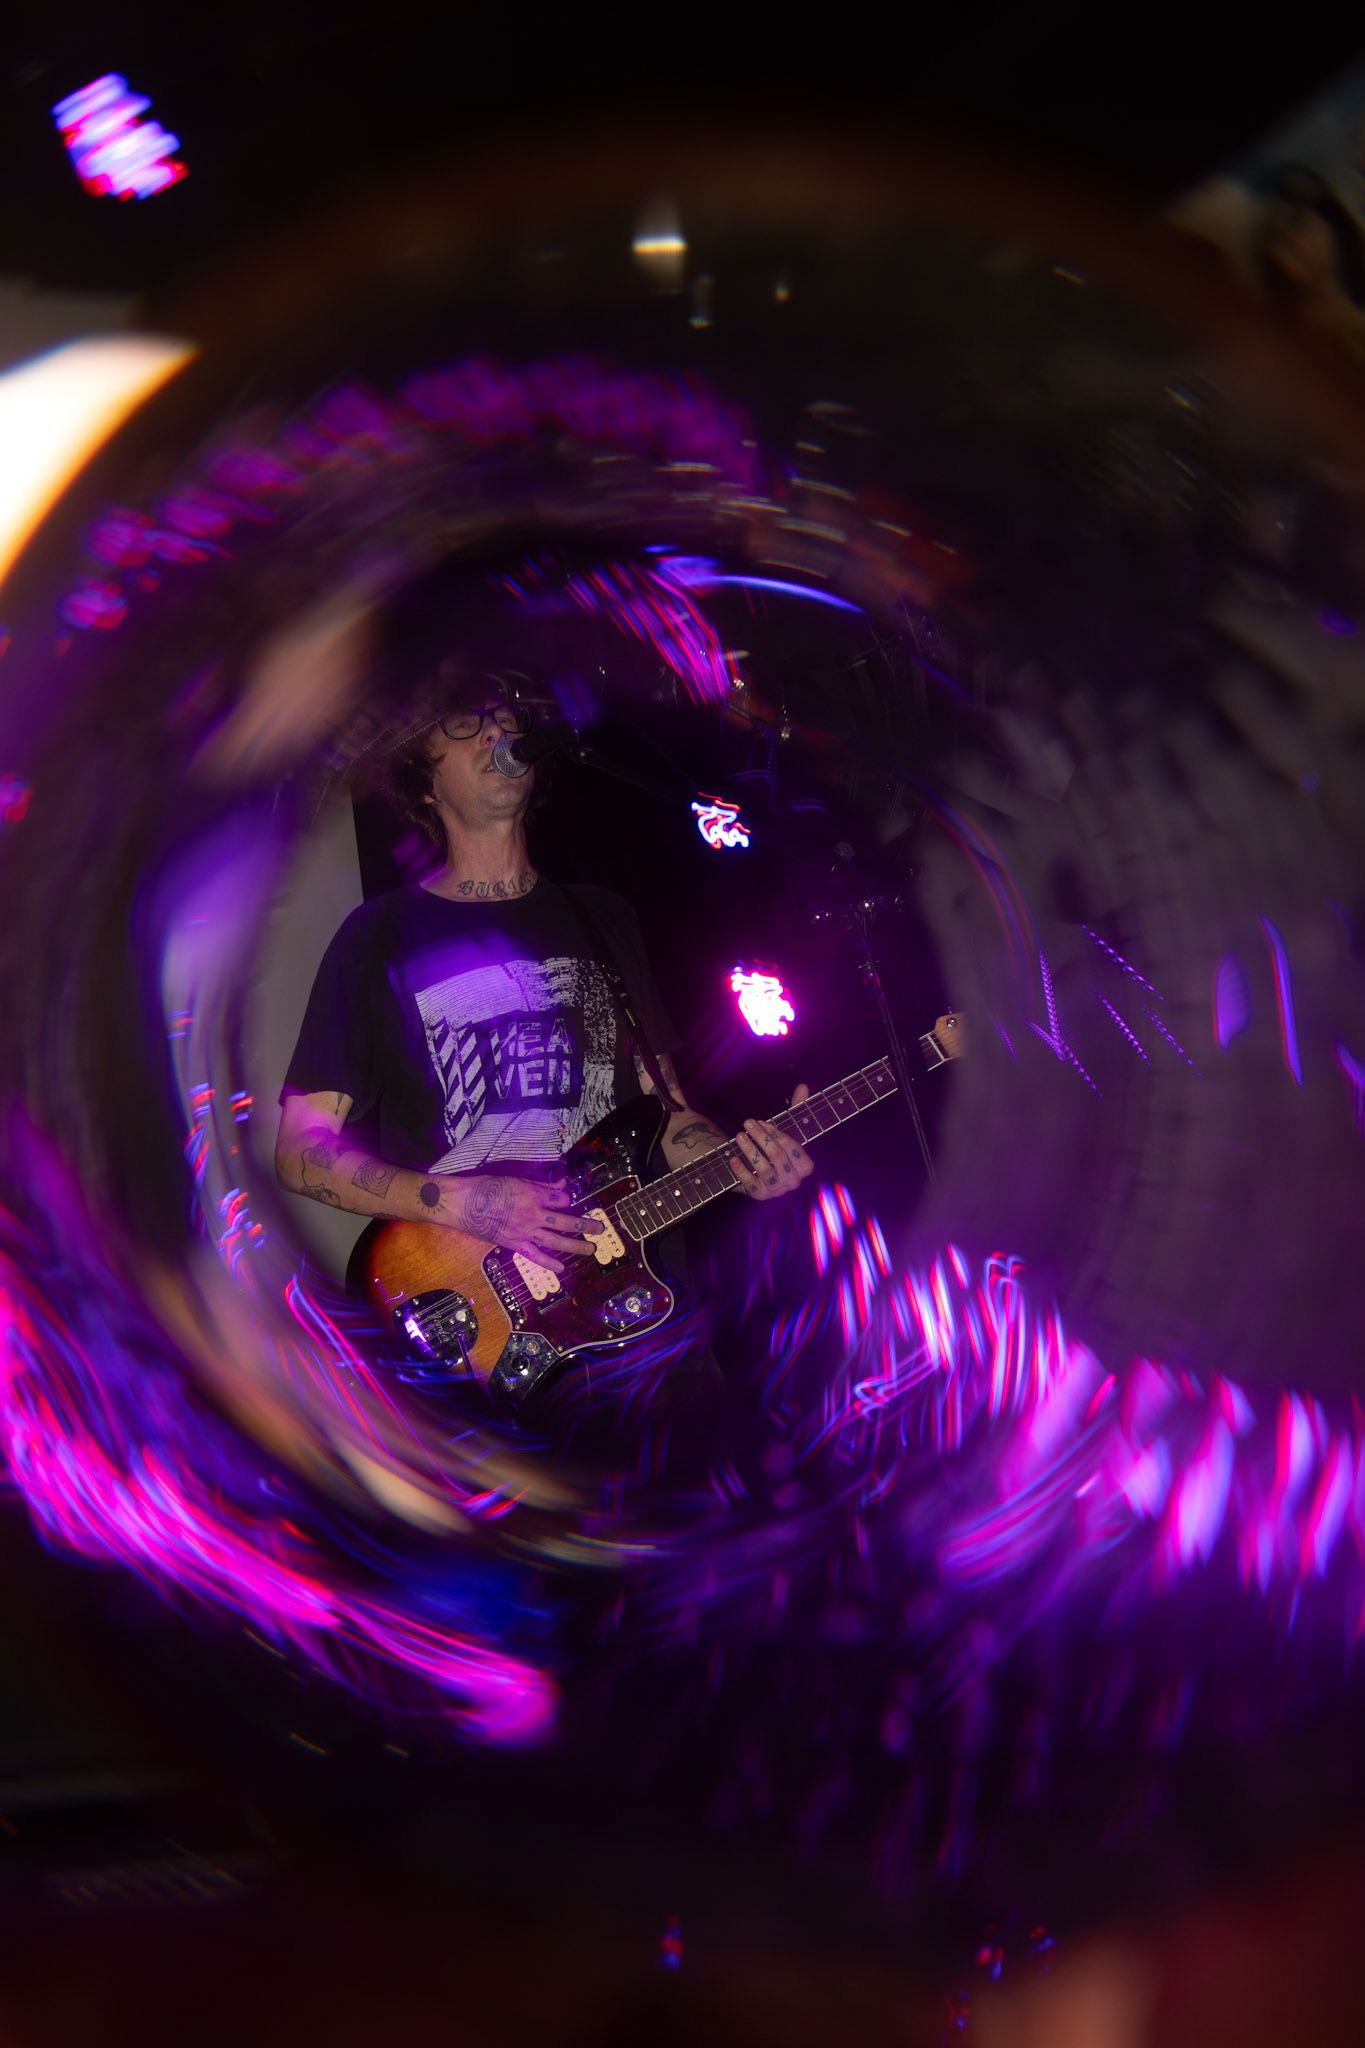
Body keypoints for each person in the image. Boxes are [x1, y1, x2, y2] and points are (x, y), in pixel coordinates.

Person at [275, 676, 814, 1434]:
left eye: (508, 717)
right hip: (483, 1330)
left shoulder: (602, 917)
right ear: (422, 778)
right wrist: (461, 1202)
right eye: (466, 722)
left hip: (643, 1334)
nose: (498, 731)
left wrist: (741, 1161)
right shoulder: (377, 938)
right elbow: (300, 1151)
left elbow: (667, 1113)